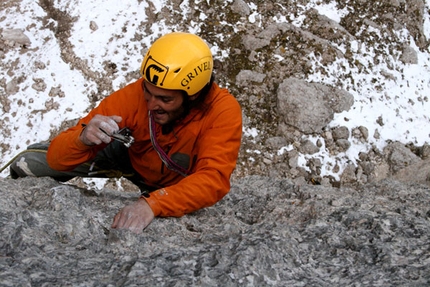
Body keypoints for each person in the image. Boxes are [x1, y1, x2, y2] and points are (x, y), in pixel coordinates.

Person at [9, 32, 242, 233]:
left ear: (193, 95)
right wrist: (83, 139)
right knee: (28, 163)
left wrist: (153, 204)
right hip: (129, 156)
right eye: (148, 92)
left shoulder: (222, 110)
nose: (151, 105)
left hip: (171, 183)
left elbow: (213, 178)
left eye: (165, 99)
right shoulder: (133, 96)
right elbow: (57, 157)